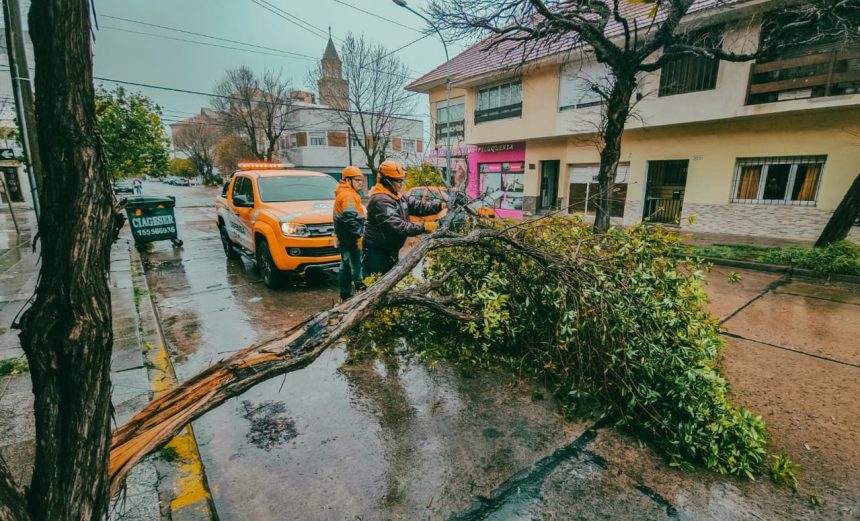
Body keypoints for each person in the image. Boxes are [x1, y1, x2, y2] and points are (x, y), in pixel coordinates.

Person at [362, 160, 444, 278]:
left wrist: (441, 205)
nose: (401, 184)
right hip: (376, 253)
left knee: (389, 285)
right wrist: (425, 226)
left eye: (402, 180)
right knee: (373, 287)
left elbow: (418, 206)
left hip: (390, 250)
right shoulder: (380, 200)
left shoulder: (398, 196)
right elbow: (399, 227)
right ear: (387, 181)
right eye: (398, 181)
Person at [333, 166, 366, 300]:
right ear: (347, 180)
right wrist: (359, 236)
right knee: (355, 270)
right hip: (350, 240)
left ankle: (345, 295)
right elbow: (350, 219)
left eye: (361, 180)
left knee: (345, 268)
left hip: (345, 239)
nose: (360, 183)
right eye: (357, 180)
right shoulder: (348, 195)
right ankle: (363, 299)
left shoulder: (345, 193)